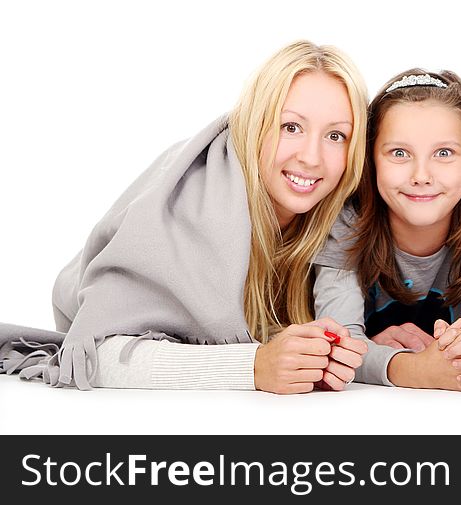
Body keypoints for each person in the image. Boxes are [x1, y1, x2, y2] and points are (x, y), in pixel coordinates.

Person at [0, 40, 369, 393]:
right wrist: (253, 366)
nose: (312, 157)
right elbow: (97, 352)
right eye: (291, 127)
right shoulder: (192, 204)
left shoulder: (338, 214)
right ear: (255, 124)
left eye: (336, 136)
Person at [312, 69, 461, 392]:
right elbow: (341, 341)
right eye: (399, 153)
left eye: (444, 153)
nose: (421, 175)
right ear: (371, 159)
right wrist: (410, 369)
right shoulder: (348, 221)